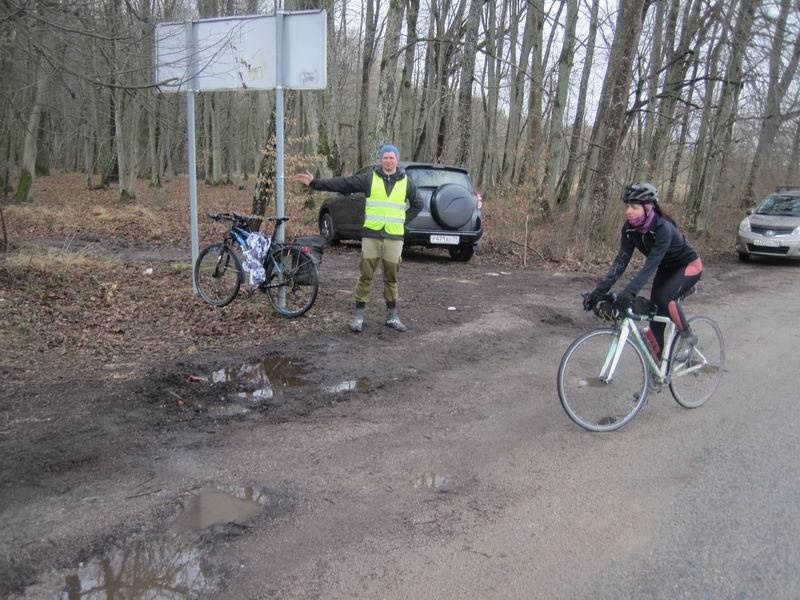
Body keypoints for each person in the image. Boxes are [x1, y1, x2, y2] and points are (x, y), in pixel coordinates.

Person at [295, 144, 423, 333]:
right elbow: (344, 183)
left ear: (397, 159)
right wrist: (316, 183)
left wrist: (402, 221)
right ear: (380, 160)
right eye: (385, 157)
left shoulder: (406, 182)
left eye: (391, 157)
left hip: (394, 238)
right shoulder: (370, 178)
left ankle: (392, 316)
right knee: (365, 275)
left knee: (391, 277)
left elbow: (418, 204)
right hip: (372, 235)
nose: (388, 160)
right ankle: (358, 316)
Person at [583, 182, 703, 361]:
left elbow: (650, 265)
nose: (628, 211)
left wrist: (629, 293)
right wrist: (597, 293)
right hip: (665, 268)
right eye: (627, 206)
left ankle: (688, 336)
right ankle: (658, 371)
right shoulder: (630, 229)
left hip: (688, 266)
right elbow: (620, 263)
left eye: (634, 207)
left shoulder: (663, 228)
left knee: (665, 299)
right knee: (656, 314)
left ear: (648, 208)